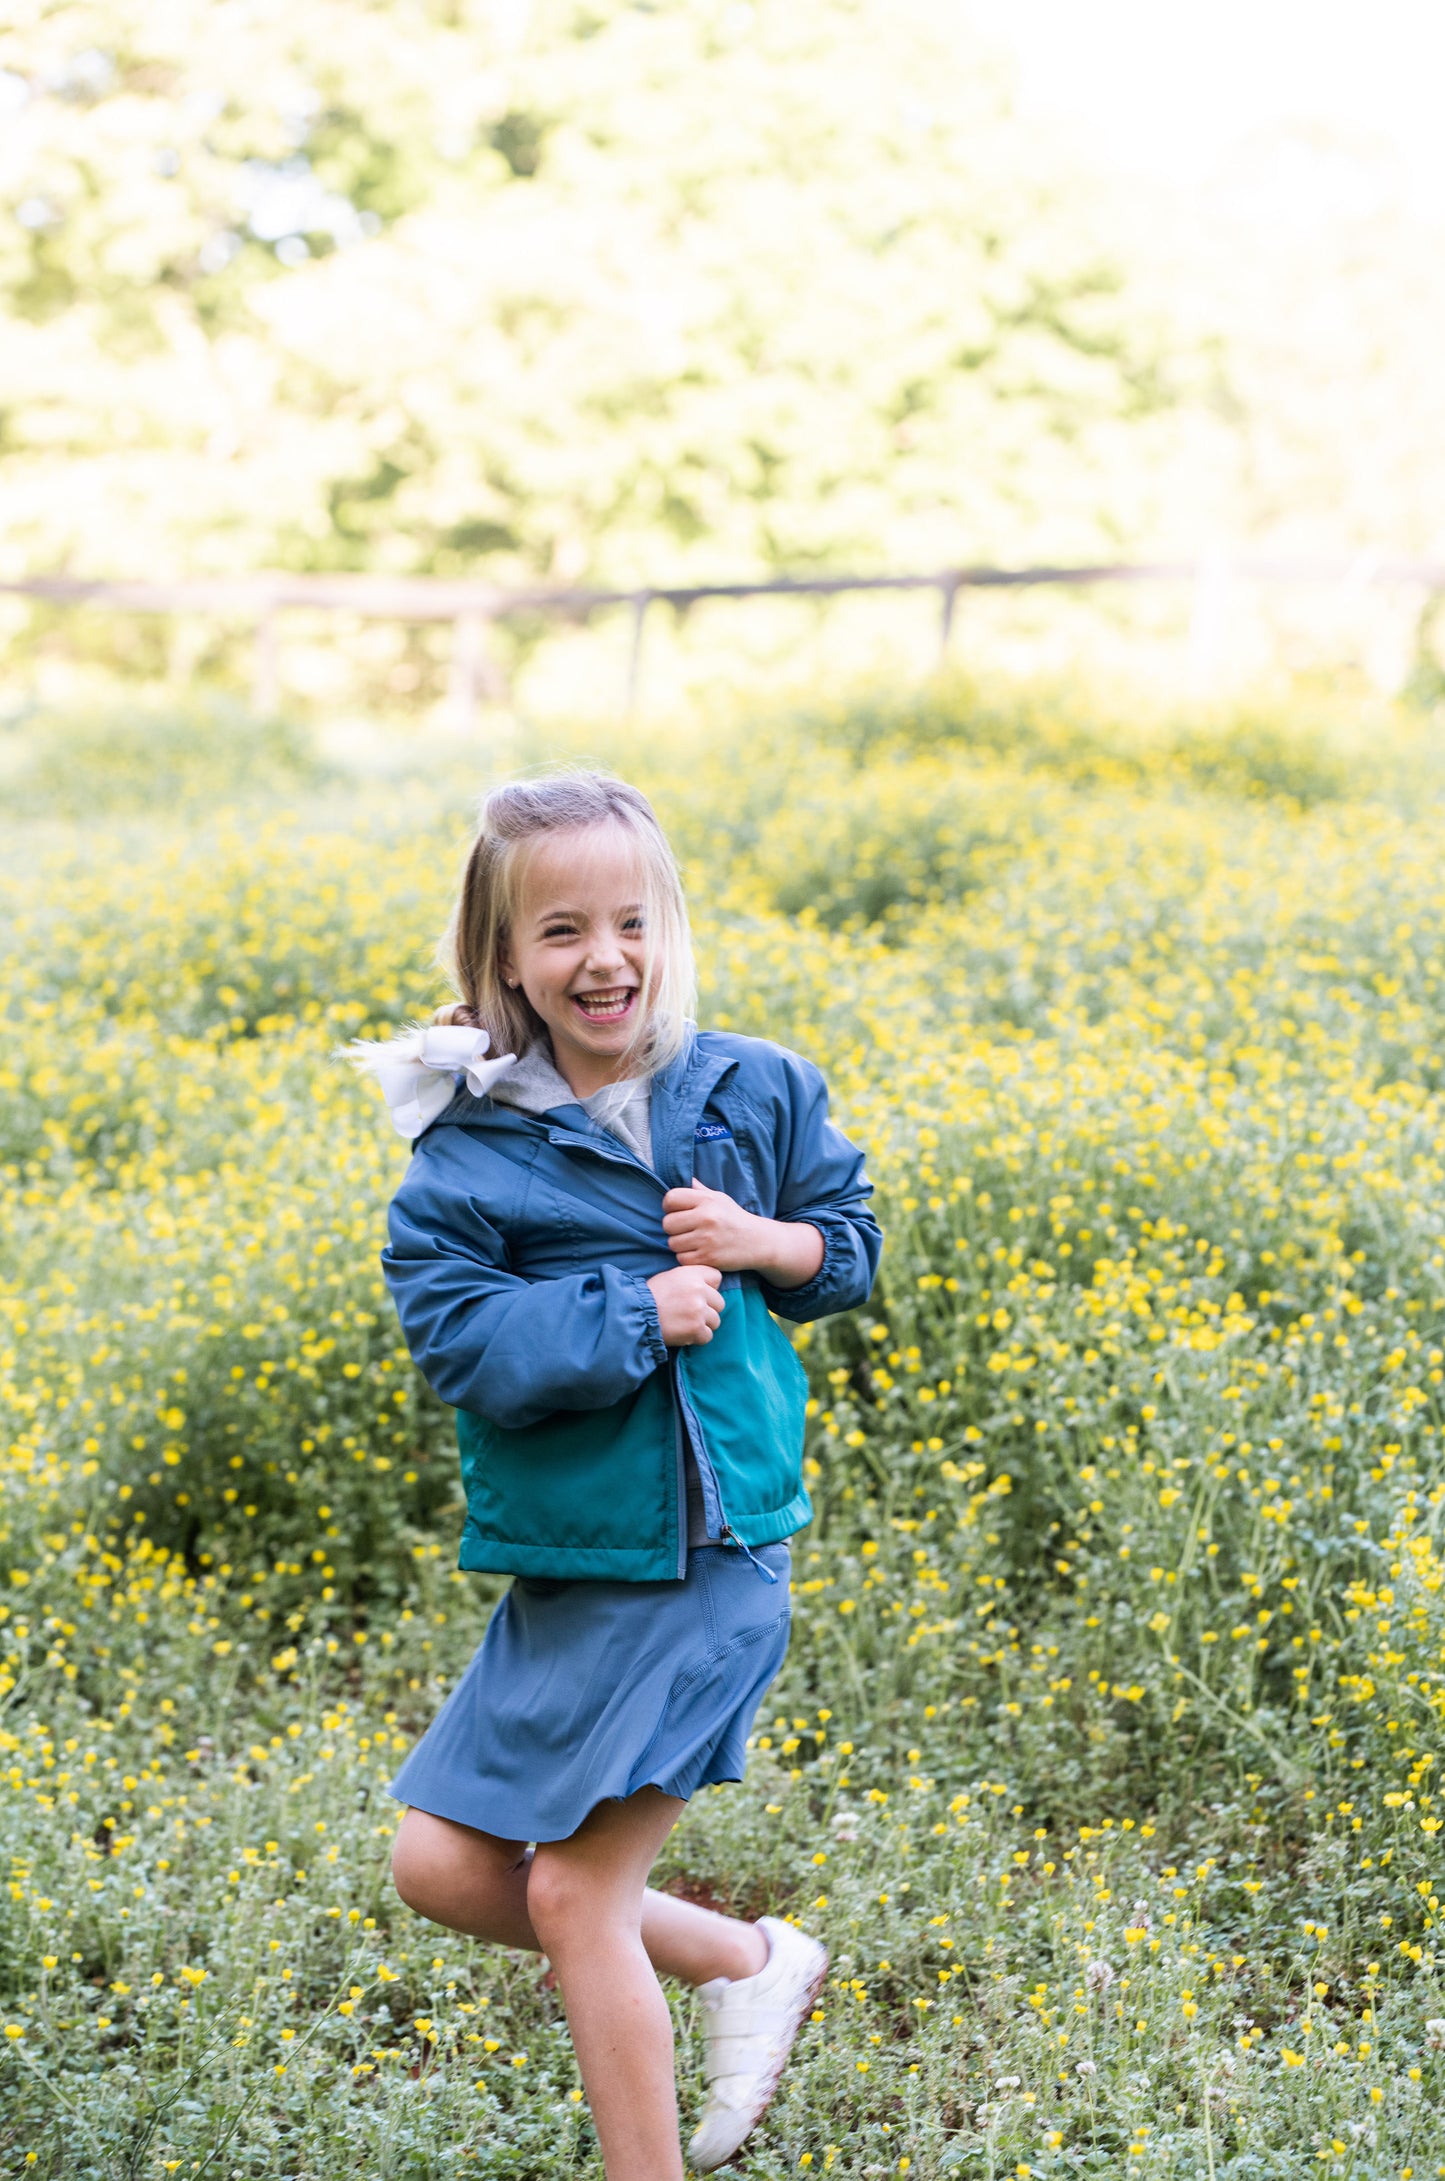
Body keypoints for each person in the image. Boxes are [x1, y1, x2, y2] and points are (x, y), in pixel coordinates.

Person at [348, 769, 882, 2179]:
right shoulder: (464, 1156)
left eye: (631, 921)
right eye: (562, 930)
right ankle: (752, 1961)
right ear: (505, 958)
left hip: (715, 1551)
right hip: (577, 1560)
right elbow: (462, 1341)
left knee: (579, 1891)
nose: (605, 959)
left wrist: (764, 1244)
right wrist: (633, 1313)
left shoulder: (753, 1086)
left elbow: (850, 1243)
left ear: (669, 925)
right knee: (444, 1866)